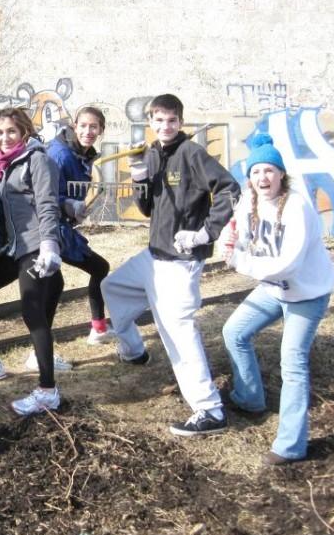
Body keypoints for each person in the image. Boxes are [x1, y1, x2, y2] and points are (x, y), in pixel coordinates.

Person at [101, 93, 240, 436]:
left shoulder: (191, 153)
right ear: (150, 123)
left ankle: (210, 410)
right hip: (154, 255)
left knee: (177, 332)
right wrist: (140, 184)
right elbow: (149, 209)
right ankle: (134, 352)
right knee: (112, 287)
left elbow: (229, 189)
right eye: (159, 121)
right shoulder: (152, 154)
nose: (165, 126)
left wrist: (204, 233)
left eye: (172, 120)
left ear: (181, 122)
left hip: (181, 260)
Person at [221, 134, 334, 465]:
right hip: (275, 288)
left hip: (306, 293)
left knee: (293, 362)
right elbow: (238, 244)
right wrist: (230, 243)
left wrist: (240, 262)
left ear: (281, 174)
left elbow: (288, 263)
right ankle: (250, 399)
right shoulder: (247, 203)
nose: (263, 178)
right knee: (234, 332)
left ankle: (290, 447)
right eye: (256, 172)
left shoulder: (298, 206)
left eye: (269, 171)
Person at [0, 107, 64, 416]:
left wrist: (49, 245)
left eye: (11, 131)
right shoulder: (1, 164)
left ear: (24, 132)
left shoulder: (37, 159)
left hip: (36, 246)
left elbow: (47, 204)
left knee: (32, 312)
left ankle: (48, 391)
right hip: (14, 249)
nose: (4, 138)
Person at [46, 106, 115, 349]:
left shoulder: (83, 155)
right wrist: (69, 204)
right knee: (52, 287)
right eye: (83, 125)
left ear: (101, 130)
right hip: (46, 229)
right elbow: (44, 194)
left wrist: (77, 207)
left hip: (62, 226)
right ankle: (39, 352)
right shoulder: (60, 154)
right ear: (74, 125)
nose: (88, 131)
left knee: (99, 268)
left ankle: (98, 328)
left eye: (93, 126)